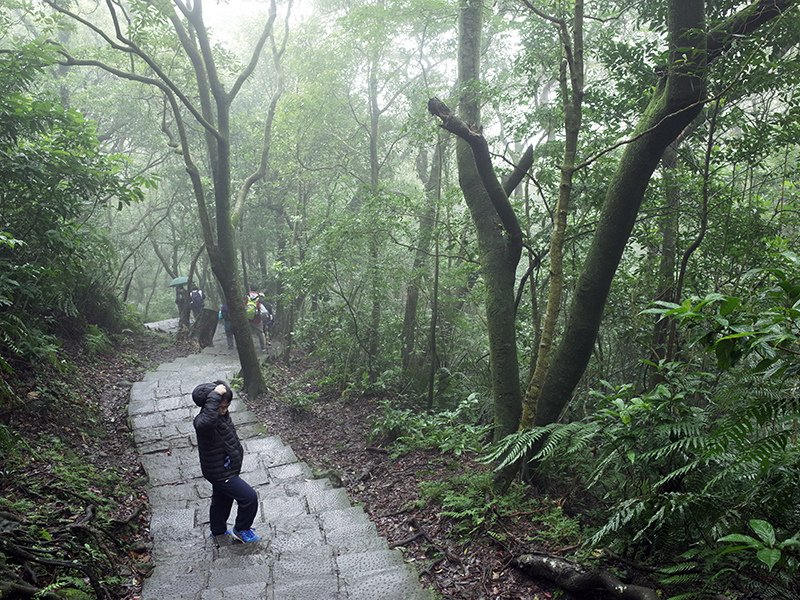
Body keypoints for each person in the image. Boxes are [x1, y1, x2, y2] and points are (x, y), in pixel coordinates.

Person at [192, 381, 260, 543]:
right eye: (221, 407)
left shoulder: (220, 415)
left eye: (226, 407)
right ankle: (241, 528)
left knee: (221, 500)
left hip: (226, 467)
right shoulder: (203, 422)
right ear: (211, 403)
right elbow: (208, 420)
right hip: (220, 472)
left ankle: (218, 531)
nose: (224, 411)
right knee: (249, 497)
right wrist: (215, 394)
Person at [246, 284, 268, 351]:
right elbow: (263, 310)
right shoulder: (259, 298)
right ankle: (263, 347)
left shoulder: (247, 296)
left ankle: (249, 347)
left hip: (247, 319)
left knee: (248, 333)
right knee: (260, 333)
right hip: (257, 319)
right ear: (258, 289)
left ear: (250, 289)